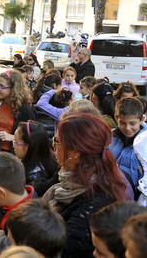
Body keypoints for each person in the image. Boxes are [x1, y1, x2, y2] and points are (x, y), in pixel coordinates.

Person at [42, 113, 126, 258]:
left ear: (76, 152)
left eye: (57, 141)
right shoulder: (69, 175)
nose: (53, 145)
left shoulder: (94, 205)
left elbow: (64, 251)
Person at [0, 70, 36, 152]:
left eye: (1, 86)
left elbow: (33, 135)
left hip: (11, 153)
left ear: (13, 88)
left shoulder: (25, 110)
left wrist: (13, 137)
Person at [110, 97, 147, 191]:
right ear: (116, 118)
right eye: (122, 123)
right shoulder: (109, 137)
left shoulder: (144, 143)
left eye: (132, 123)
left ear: (142, 119)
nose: (128, 128)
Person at [13, 121, 58, 196]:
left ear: (28, 147)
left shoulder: (35, 178)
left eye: (16, 142)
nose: (13, 146)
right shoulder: (49, 164)